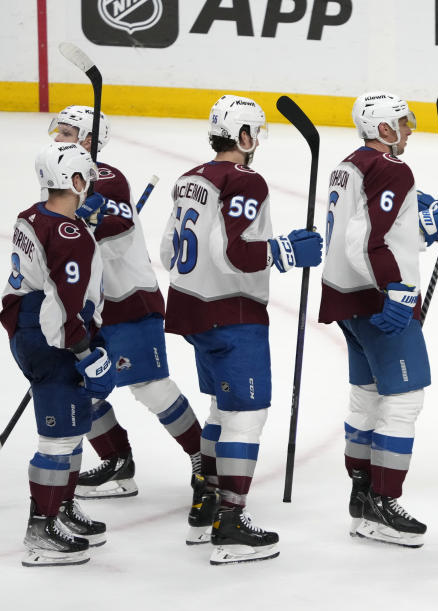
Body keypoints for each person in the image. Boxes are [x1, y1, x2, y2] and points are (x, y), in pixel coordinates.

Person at [159, 95, 323, 564]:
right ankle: (230, 522)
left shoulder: (189, 179)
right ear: (245, 136)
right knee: (246, 415)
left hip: (192, 309)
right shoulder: (245, 179)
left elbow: (170, 252)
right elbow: (233, 253)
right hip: (231, 313)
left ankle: (205, 506)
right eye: (255, 134)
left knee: (220, 408)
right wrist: (284, 251)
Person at [318, 91, 438, 548]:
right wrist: (396, 291)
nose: (409, 128)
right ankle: (383, 502)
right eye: (402, 122)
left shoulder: (350, 164)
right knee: (403, 402)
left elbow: (381, 227)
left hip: (347, 299)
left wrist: (431, 219)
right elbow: (368, 239)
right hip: (380, 302)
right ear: (383, 128)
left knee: (365, 399)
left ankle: (362, 499)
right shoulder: (391, 167)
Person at [48, 106, 204, 500]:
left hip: (128, 299)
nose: (56, 137)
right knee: (83, 386)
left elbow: (119, 224)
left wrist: (90, 221)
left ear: (87, 140)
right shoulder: (59, 179)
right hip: (90, 308)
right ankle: (117, 464)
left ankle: (205, 459)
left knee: (150, 386)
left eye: (66, 132)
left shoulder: (106, 176)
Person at [2, 141, 116, 566]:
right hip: (51, 338)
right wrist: (87, 353)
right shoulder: (72, 238)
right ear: (75, 180)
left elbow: (49, 255)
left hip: (27, 329)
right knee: (60, 436)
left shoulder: (33, 215)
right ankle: (41, 529)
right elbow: (63, 308)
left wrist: (77, 221)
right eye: (85, 177)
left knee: (73, 423)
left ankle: (62, 508)